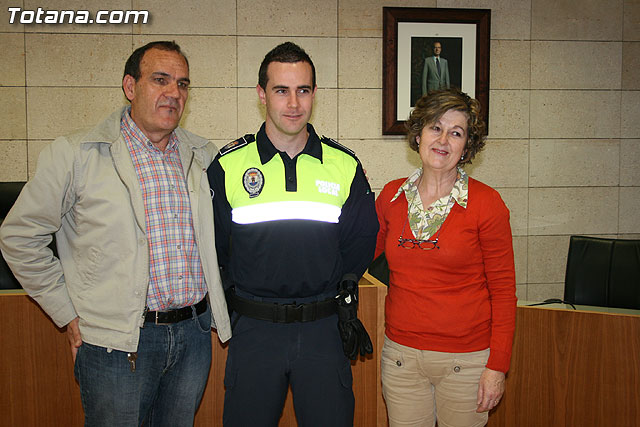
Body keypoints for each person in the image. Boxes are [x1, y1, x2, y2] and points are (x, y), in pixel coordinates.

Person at [0, 41, 231, 426]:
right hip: (117, 344)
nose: (174, 93)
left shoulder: (202, 155)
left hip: (192, 337)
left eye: (182, 84)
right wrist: (65, 311)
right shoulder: (77, 154)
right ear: (130, 86)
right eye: (160, 80)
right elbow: (19, 236)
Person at [208, 41, 378, 426]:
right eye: (281, 90)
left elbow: (359, 243)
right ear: (261, 94)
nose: (294, 103)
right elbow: (214, 247)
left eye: (303, 90)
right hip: (254, 330)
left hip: (323, 330)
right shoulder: (228, 165)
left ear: (315, 93)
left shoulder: (343, 165)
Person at [375, 88, 517, 427]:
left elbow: (503, 292)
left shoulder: (487, 204)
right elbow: (360, 255)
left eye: (456, 133)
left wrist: (497, 367)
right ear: (418, 134)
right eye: (435, 128)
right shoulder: (391, 197)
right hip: (401, 359)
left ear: (467, 146)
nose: (443, 140)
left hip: (467, 364)